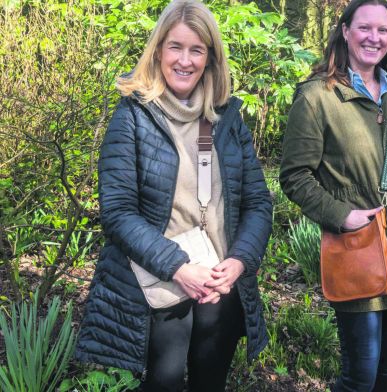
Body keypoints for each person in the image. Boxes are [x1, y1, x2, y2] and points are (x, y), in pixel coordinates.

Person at [74, 1, 272, 390]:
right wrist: (179, 267)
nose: (185, 60)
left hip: (220, 280)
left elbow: (258, 203)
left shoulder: (227, 116)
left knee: (210, 381)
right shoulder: (133, 114)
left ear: (210, 57)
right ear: (159, 50)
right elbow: (117, 212)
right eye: (176, 47)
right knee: (162, 383)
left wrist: (239, 261)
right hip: (162, 280)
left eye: (196, 49)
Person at [279, 0, 387, 390]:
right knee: (360, 375)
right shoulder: (318, 96)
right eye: (365, 28)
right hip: (358, 248)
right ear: (346, 31)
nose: (374, 37)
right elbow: (294, 176)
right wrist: (341, 215)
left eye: (383, 30)